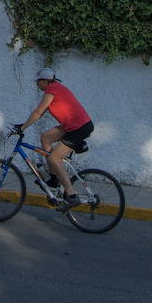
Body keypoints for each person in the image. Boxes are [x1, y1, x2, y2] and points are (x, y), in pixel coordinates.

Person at [13, 68, 93, 208]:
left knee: (54, 158)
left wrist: (22, 128)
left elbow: (38, 112)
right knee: (45, 138)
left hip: (79, 127)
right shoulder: (57, 88)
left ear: (45, 81)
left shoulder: (52, 90)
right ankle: (54, 178)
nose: (37, 85)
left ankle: (71, 194)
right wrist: (23, 125)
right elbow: (40, 113)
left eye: (38, 82)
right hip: (73, 125)